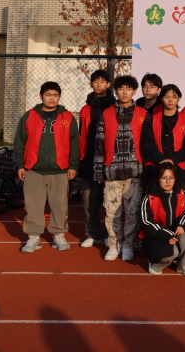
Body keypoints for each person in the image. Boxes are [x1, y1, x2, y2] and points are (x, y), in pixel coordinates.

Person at [14, 81, 79, 253]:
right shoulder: (29, 116)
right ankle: (33, 237)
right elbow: (19, 142)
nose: (51, 98)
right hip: (33, 169)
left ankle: (59, 235)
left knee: (59, 205)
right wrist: (20, 165)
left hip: (60, 169)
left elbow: (74, 143)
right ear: (41, 96)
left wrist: (72, 166)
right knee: (33, 205)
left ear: (59, 97)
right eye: (48, 95)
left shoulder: (68, 117)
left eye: (55, 95)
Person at [94, 75, 147, 262]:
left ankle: (128, 245)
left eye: (128, 89)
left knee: (132, 212)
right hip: (112, 172)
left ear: (134, 91)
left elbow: (148, 143)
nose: (125, 92)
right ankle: (113, 244)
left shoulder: (143, 113)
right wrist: (98, 171)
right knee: (111, 212)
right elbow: (99, 144)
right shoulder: (107, 114)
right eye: (121, 89)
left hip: (135, 173)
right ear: (116, 91)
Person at [78, 69, 115, 248]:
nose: (99, 84)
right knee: (89, 202)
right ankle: (92, 234)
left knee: (109, 202)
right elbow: (81, 136)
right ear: (91, 84)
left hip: (109, 161)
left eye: (102, 81)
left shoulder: (114, 107)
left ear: (108, 84)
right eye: (95, 81)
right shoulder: (85, 109)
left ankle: (109, 235)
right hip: (88, 161)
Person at [138, 163, 185, 276]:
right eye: (164, 178)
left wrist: (181, 225)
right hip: (156, 235)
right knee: (171, 253)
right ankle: (155, 264)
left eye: (171, 178)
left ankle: (184, 265)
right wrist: (166, 235)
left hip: (175, 231)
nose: (168, 181)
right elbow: (146, 222)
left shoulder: (182, 193)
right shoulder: (149, 197)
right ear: (158, 179)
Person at [140, 84, 185, 187]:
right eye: (167, 97)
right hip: (155, 169)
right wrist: (162, 160)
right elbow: (147, 146)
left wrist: (173, 160)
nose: (170, 100)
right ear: (161, 98)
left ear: (179, 98)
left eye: (174, 97)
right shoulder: (150, 121)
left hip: (180, 169)